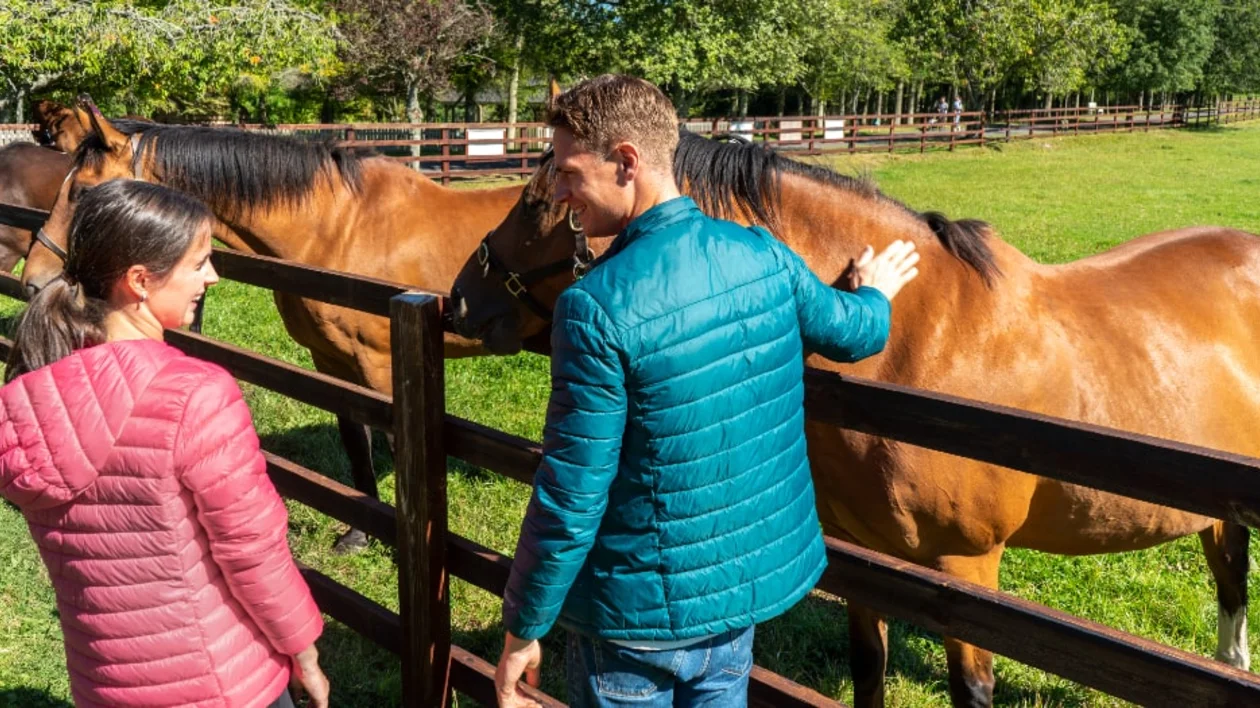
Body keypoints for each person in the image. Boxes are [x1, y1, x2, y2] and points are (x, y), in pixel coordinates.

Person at [494, 75, 919, 708]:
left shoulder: (593, 307)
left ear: (626, 162)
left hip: (633, 629)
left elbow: (572, 493)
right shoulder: (762, 254)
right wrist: (876, 294)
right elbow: (853, 333)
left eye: (567, 172)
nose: (558, 192)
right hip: (734, 609)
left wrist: (523, 629)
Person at [0, 180, 329, 708]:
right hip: (224, 684)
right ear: (140, 282)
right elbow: (253, 552)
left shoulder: (26, 403)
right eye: (198, 262)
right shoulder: (196, 396)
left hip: (104, 686)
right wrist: (304, 652)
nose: (213, 276)